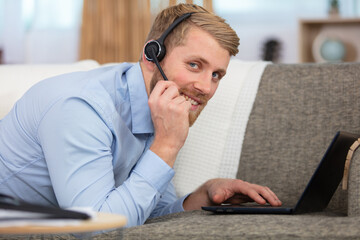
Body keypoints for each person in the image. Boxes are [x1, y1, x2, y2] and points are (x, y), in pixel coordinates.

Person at [0, 4, 281, 227]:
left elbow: (148, 211)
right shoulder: (81, 108)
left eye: (216, 75)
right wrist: (167, 146)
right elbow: (97, 228)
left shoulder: (160, 109)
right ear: (151, 56)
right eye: (194, 65)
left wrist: (203, 195)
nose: (206, 88)